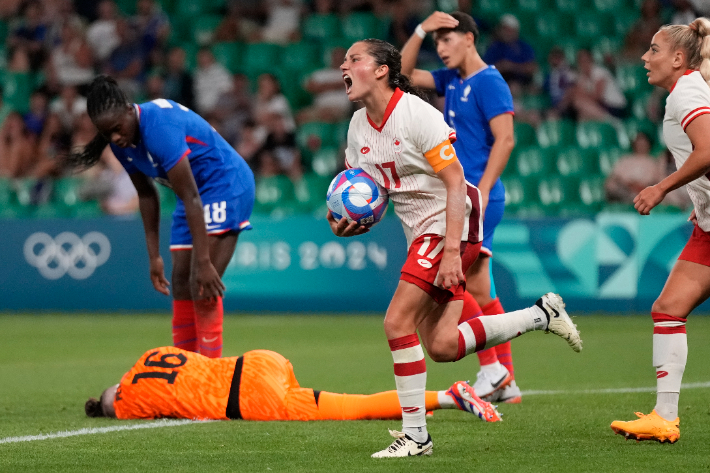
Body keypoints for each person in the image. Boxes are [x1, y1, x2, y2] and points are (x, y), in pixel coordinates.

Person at [331, 38, 582, 457]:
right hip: (422, 233)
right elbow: (363, 190)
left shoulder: (416, 114)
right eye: (343, 60)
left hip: (454, 223)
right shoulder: (359, 126)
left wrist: (451, 253)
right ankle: (542, 314)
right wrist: (347, 219)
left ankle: (416, 437)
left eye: (353, 58)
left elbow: (453, 180)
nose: (343, 65)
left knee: (396, 323)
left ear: (380, 70)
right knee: (443, 346)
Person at [65, 75, 255, 359]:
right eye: (108, 135)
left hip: (224, 185)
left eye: (117, 129)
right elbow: (146, 195)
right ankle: (182, 370)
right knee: (180, 281)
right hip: (190, 194)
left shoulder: (159, 128)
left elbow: (191, 196)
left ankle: (209, 374)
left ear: (130, 110)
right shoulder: (122, 143)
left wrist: (203, 261)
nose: (115, 138)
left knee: (201, 283)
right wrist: (154, 256)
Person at [400, 11, 521, 403]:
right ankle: (507, 380)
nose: (441, 48)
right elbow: (401, 74)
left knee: (449, 277)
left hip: (477, 199)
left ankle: (492, 369)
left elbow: (505, 140)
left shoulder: (489, 82)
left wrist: (481, 192)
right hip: (462, 198)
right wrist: (420, 29)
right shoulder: (451, 78)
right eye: (437, 42)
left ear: (470, 38)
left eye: (447, 40)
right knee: (482, 289)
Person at [610, 17, 710, 444]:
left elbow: (708, 151)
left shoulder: (687, 92)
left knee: (668, 309)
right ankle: (664, 417)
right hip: (708, 225)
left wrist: (661, 186)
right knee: (668, 309)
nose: (645, 57)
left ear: (678, 58)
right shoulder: (687, 88)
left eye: (653, 50)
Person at [85, 345, 502, 423]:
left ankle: (447, 397)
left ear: (114, 399)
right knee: (333, 400)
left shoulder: (127, 404)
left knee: (350, 407)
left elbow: (117, 403)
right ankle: (438, 399)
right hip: (259, 361)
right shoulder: (150, 355)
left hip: (250, 398)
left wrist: (110, 406)